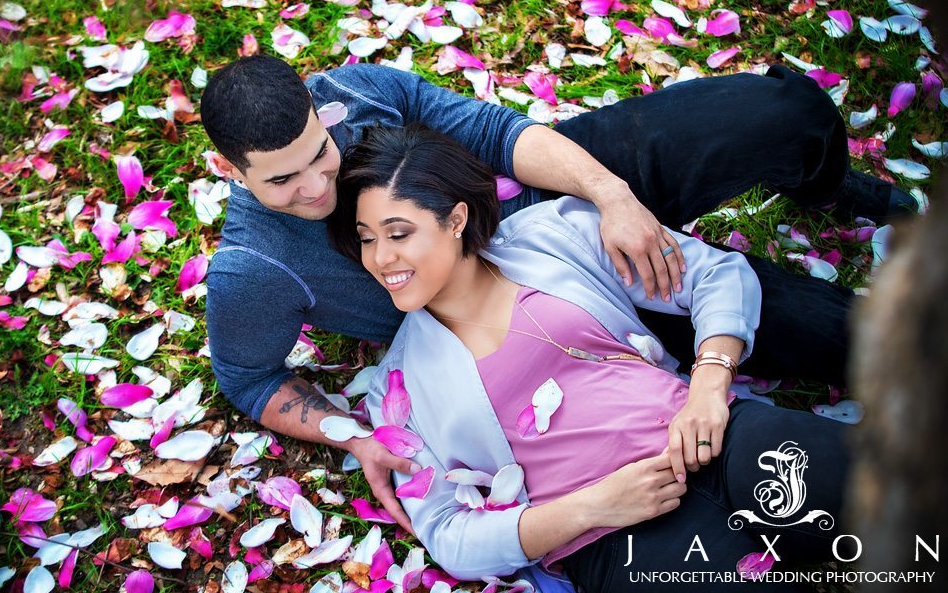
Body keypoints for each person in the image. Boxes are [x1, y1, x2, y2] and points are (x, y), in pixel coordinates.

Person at [199, 55, 903, 532]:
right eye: (283, 181)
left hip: (556, 193)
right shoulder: (252, 267)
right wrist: (355, 438)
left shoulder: (356, 91)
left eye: (319, 154)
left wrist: (611, 193)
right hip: (545, 300)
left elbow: (492, 132)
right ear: (227, 170)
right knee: (852, 338)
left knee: (781, 109)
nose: (317, 189)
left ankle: (827, 184)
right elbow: (248, 375)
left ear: (318, 110)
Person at [327, 124, 852, 591]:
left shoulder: (551, 235)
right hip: (612, 541)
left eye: (399, 233)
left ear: (456, 218)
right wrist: (590, 508)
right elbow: (448, 535)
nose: (381, 258)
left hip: (714, 436)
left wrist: (709, 389)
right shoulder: (396, 383)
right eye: (367, 239)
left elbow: (716, 275)